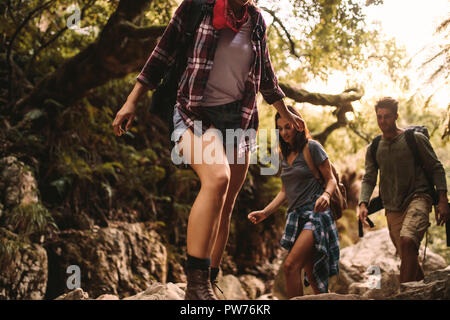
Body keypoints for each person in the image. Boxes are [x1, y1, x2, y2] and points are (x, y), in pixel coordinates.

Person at [112, 0, 303, 300]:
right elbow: (161, 54)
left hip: (240, 121)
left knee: (225, 205)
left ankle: (209, 283)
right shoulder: (196, 7)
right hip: (194, 113)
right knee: (217, 179)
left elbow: (266, 76)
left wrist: (285, 112)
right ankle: (196, 286)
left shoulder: (256, 21)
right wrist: (132, 100)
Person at [247, 106, 340, 298]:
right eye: (280, 128)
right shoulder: (282, 155)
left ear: (298, 125)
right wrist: (265, 212)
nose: (284, 132)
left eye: (288, 127)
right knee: (313, 277)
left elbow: (331, 179)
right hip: (296, 217)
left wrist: (326, 196)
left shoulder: (312, 148)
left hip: (316, 213)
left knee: (290, 267)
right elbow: (284, 192)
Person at [358, 97, 449, 283]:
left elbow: (436, 168)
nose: (383, 121)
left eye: (387, 117)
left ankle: (402, 294)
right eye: (379, 117)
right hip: (392, 207)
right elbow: (368, 178)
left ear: (396, 116)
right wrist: (363, 203)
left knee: (408, 241)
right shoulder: (374, 147)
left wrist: (442, 200)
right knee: (408, 256)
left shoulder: (414, 139)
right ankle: (424, 291)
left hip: (419, 197)